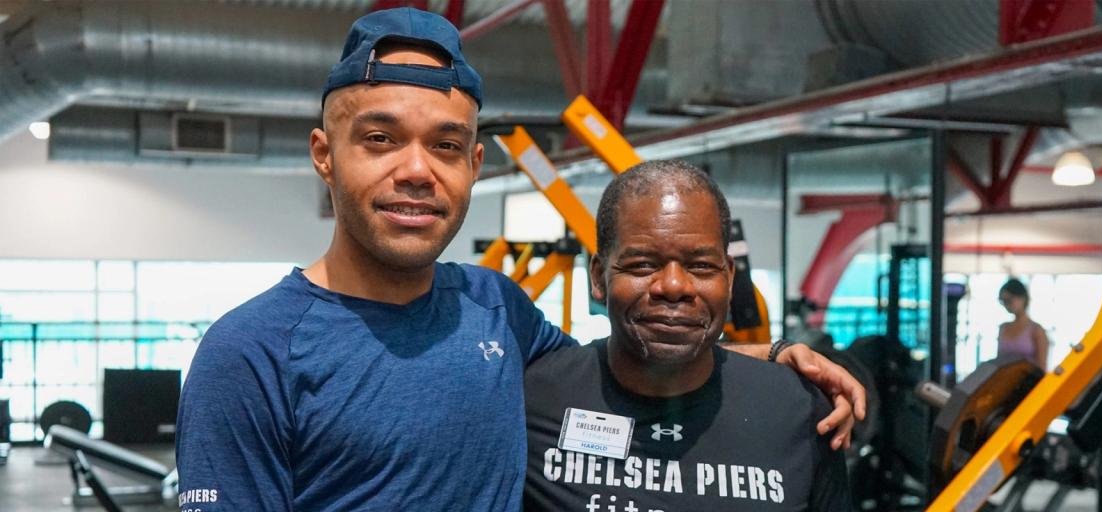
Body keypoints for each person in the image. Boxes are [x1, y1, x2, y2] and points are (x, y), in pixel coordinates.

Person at [175, 8, 864, 512]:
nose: (417, 171)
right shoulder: (250, 352)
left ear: (475, 164)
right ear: (325, 154)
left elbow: (628, 357)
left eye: (446, 146)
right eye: (380, 139)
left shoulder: (495, 308)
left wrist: (772, 360)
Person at [524, 160, 853, 511]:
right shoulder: (531, 400)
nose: (674, 286)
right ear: (598, 277)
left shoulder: (797, 409)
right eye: (642, 265)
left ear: (728, 277)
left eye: (700, 266)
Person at [996, 278, 1049, 370]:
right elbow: (998, 362)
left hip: (1028, 382)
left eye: (1009, 300)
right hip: (1005, 382)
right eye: (1003, 301)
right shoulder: (1003, 328)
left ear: (1022, 298)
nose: (1006, 305)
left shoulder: (1036, 330)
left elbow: (1042, 368)